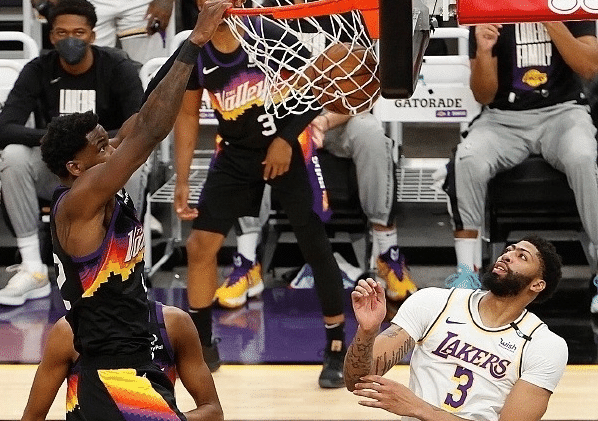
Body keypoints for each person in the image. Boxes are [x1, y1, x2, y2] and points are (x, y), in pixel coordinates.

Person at [37, 2, 234, 420]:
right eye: (101, 148)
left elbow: (144, 115)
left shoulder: (98, 184)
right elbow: (150, 131)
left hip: (137, 357)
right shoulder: (80, 199)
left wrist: (190, 46)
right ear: (75, 168)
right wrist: (196, 39)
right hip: (109, 371)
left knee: (213, 413)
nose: (112, 150)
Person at [145, 0, 347, 388]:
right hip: (236, 154)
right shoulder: (196, 46)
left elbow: (317, 85)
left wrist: (286, 139)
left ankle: (336, 344)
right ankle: (202, 347)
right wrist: (183, 180)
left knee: (313, 243)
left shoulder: (267, 34)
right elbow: (187, 114)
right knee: (199, 246)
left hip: (289, 148)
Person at [214, 0, 416, 310]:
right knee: (244, 141)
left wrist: (322, 121)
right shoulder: (266, 15)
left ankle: (387, 255)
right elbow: (256, 88)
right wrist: (294, 127)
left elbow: (365, 87)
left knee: (373, 135)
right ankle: (247, 260)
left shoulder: (347, 13)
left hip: (336, 120)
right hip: (280, 121)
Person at [442, 22, 598, 314]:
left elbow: (589, 67)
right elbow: (484, 95)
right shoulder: (488, 9)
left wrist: (548, 16)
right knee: (468, 158)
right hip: (503, 118)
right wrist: (484, 51)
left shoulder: (566, 6)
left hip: (564, 112)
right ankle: (466, 274)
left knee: (583, 157)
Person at [0, 0, 144, 307]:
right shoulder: (38, 69)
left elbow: (139, 125)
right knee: (13, 156)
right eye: (62, 32)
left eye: (79, 32)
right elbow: (6, 127)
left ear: (93, 34)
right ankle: (33, 268)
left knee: (131, 164)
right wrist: (62, 142)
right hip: (60, 171)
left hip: (105, 165)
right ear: (51, 36)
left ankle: (125, 265)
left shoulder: (117, 67)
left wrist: (95, 146)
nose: (70, 39)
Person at [344, 235, 568, 421]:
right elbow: (356, 380)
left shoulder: (545, 346)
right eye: (509, 250)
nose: (507, 255)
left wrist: (420, 409)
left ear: (537, 284)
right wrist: (367, 333)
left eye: (522, 256)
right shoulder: (433, 302)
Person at [20, 300, 223, 421]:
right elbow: (33, 417)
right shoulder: (68, 331)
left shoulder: (173, 322)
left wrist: (163, 418)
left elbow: (213, 412)